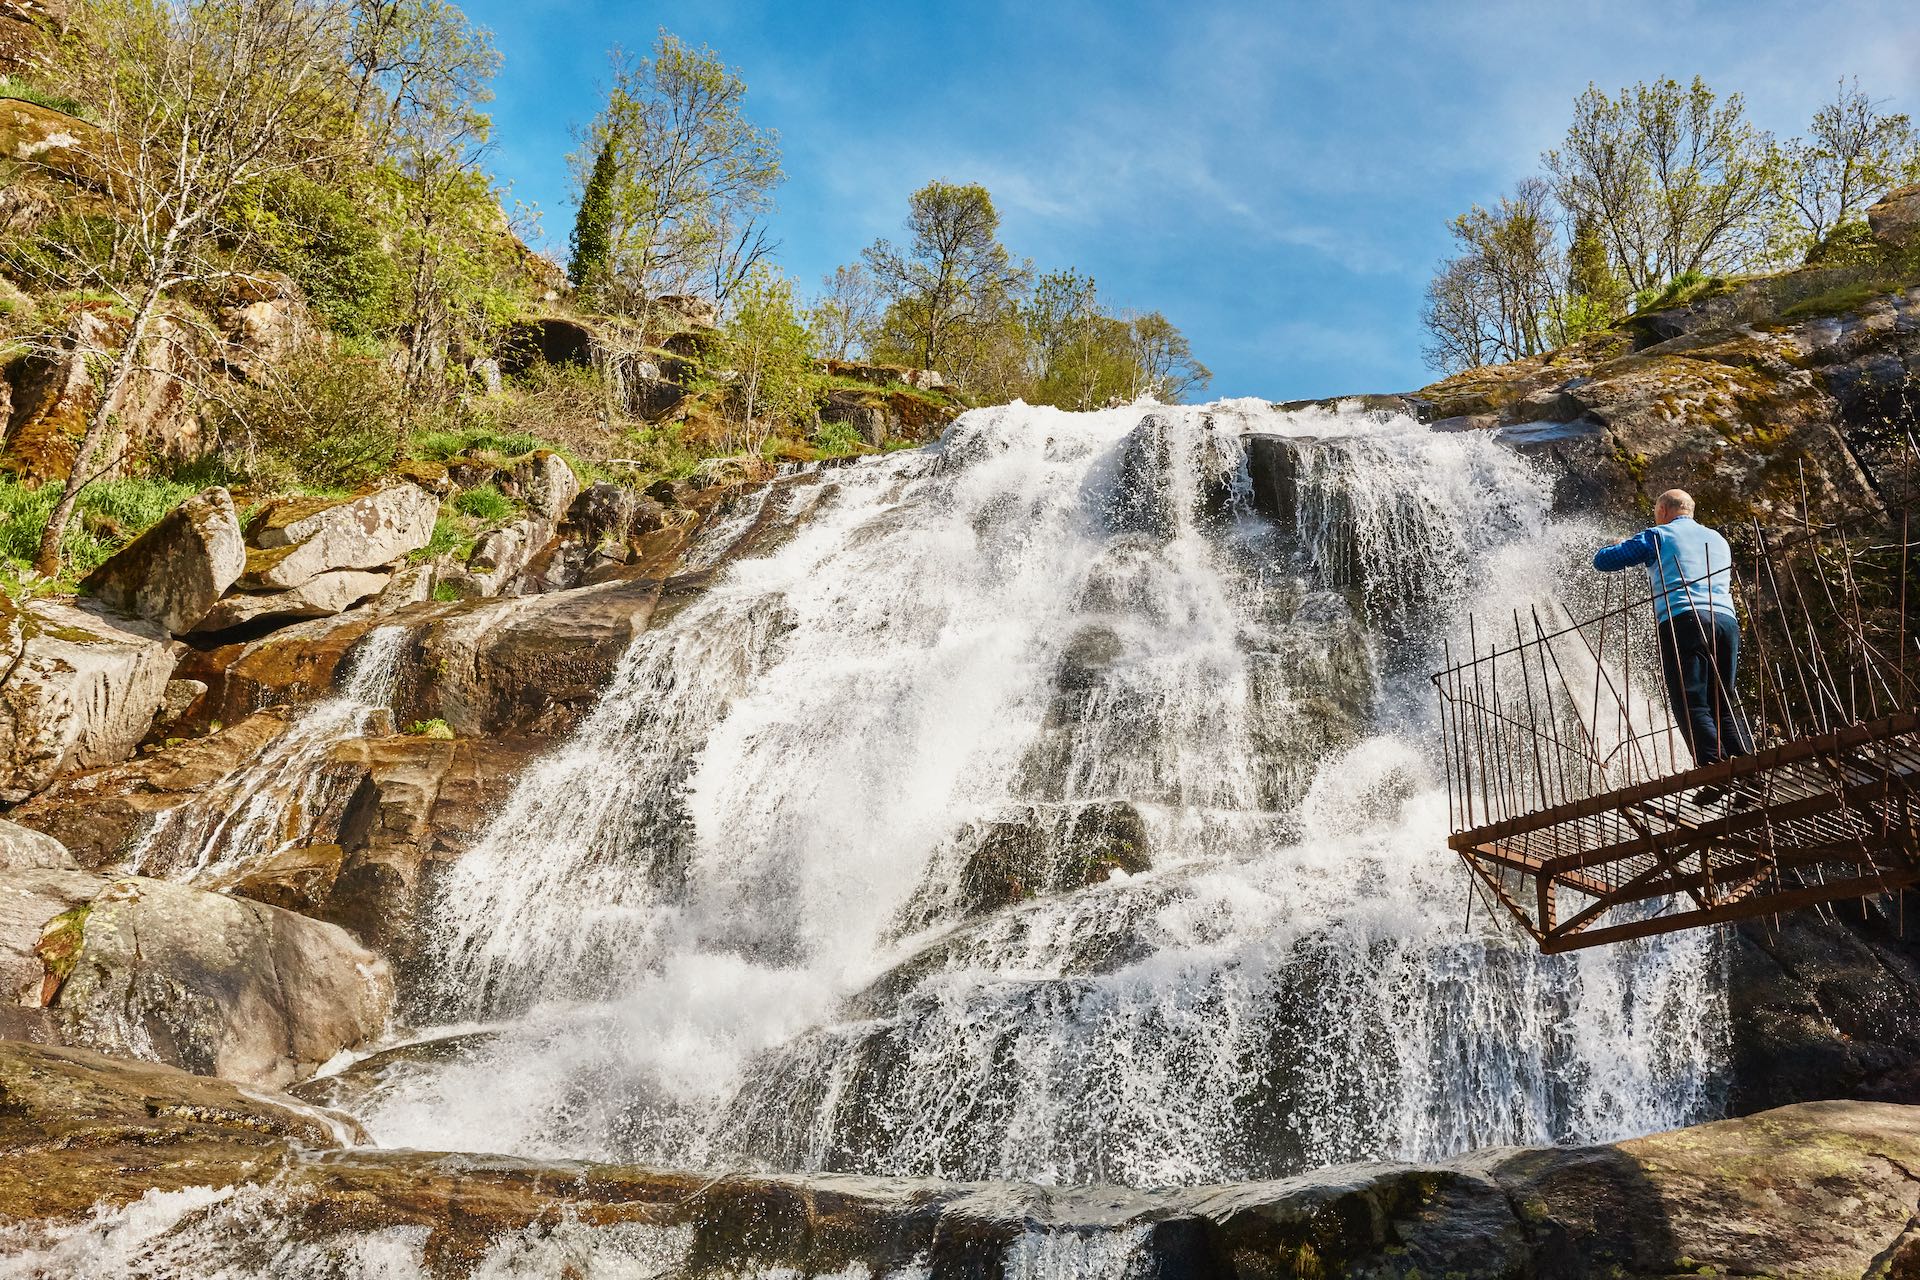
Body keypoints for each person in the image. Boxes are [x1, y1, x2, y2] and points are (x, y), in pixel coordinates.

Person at [1592, 489, 1753, 799]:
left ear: (1664, 510)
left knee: (1690, 698)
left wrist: (1616, 545)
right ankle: (1749, 772)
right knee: (1722, 700)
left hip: (1685, 619)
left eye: (1657, 513)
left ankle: (1715, 769)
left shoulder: (1658, 535)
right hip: (1726, 622)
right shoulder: (1718, 540)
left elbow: (1605, 561)